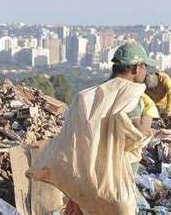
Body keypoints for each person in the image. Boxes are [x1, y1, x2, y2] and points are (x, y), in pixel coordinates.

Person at [63, 41, 158, 215]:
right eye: (145, 67)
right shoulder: (129, 95)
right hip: (115, 180)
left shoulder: (88, 96)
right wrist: (149, 113)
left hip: (86, 177)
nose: (146, 72)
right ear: (136, 68)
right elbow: (137, 134)